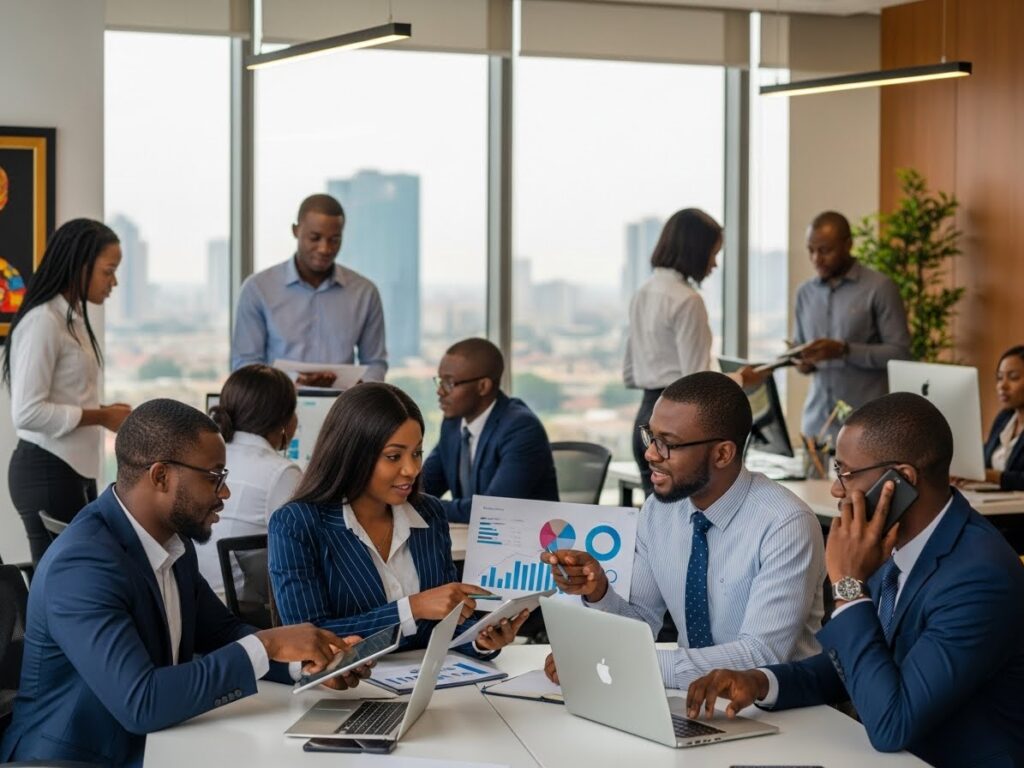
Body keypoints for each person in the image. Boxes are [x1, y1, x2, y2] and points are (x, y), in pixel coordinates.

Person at [0, 399, 365, 768]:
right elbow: (142, 702)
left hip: (162, 741)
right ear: (160, 476)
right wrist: (266, 642)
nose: (224, 493)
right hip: (78, 758)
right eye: (214, 476)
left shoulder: (173, 542)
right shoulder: (82, 565)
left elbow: (221, 632)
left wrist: (306, 665)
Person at [685, 392, 1024, 768]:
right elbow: (855, 664)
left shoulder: (978, 577)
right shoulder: (892, 539)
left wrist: (848, 586)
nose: (835, 489)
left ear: (902, 480)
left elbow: (893, 724)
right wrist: (761, 682)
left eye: (845, 473)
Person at [541, 371, 825, 690]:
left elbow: (760, 655)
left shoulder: (784, 524)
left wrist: (619, 662)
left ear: (722, 454)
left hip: (785, 713)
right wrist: (599, 592)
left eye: (668, 445)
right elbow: (640, 622)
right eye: (651, 436)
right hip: (694, 699)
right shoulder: (659, 510)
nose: (650, 454)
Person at [269, 382, 528, 655]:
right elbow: (308, 638)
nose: (412, 469)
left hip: (428, 682)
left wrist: (480, 638)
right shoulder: (296, 524)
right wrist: (412, 607)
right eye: (394, 456)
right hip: (349, 686)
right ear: (353, 455)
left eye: (417, 453)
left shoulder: (428, 513)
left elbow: (443, 622)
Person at [3, 218, 132, 563]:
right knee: (64, 586)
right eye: (109, 271)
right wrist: (102, 416)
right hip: (47, 471)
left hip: (70, 470)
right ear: (80, 266)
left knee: (74, 582)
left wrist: (102, 410)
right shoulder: (43, 321)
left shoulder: (69, 319)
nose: (114, 282)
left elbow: (64, 397)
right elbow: (27, 412)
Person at [231, 193, 387, 386]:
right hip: (276, 406)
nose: (324, 248)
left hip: (342, 407)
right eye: (315, 238)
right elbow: (244, 363)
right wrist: (293, 381)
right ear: (296, 230)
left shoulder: (365, 292)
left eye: (335, 240)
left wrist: (359, 386)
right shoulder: (257, 289)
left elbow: (375, 362)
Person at [793, 211, 910, 444]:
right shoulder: (804, 293)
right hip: (816, 427)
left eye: (825, 250)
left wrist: (844, 350)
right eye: (811, 250)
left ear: (848, 244)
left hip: (866, 429)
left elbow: (901, 353)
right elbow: (799, 348)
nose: (817, 258)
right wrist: (801, 362)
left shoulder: (880, 288)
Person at [421, 337, 559, 525]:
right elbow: (424, 485)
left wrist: (422, 506)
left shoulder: (521, 429)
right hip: (475, 539)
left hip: (527, 545)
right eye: (439, 381)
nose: (440, 392)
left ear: (483, 386)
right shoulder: (453, 423)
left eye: (449, 383)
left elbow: (493, 510)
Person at [197, 363, 301, 599]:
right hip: (243, 612)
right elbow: (305, 551)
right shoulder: (281, 472)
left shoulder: (209, 457)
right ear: (284, 419)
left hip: (198, 602)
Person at [981, 346, 1024, 490]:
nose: (1002, 385)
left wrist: (991, 476)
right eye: (999, 377)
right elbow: (984, 458)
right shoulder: (1004, 418)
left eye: (1013, 377)